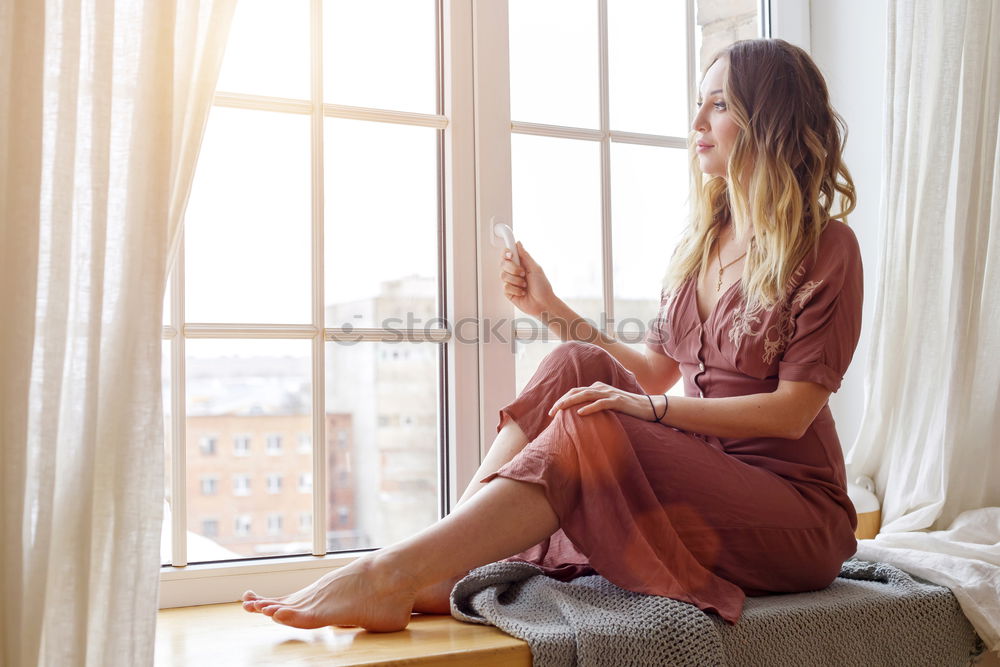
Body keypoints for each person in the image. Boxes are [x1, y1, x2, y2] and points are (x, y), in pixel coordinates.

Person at [240, 37, 863, 631]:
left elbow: (791, 413)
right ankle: (446, 562)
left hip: (793, 514)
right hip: (707, 473)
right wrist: (549, 305)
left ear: (770, 117)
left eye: (719, 103)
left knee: (594, 424)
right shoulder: (703, 245)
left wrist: (647, 412)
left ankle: (391, 572)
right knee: (573, 363)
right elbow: (651, 370)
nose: (697, 118)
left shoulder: (827, 246)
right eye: (699, 101)